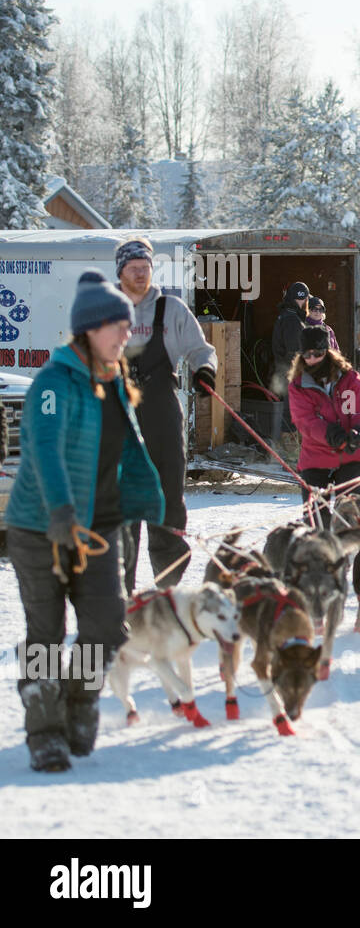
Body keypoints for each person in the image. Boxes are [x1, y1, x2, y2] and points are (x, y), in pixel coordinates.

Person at [5, 270, 164, 772]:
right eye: (117, 326)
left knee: (107, 626)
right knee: (46, 634)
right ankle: (44, 728)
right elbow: (44, 450)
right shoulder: (53, 383)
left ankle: (80, 697)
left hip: (100, 525)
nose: (126, 335)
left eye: (128, 326)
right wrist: (60, 511)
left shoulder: (112, 380)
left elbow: (128, 451)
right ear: (89, 329)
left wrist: (156, 501)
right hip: (42, 527)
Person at [114, 238, 217, 591]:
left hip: (161, 415)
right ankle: (119, 592)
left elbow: (201, 350)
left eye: (145, 267)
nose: (140, 274)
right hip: (117, 418)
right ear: (121, 272)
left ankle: (167, 586)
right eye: (133, 268)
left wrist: (205, 370)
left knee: (167, 499)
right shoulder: (107, 310)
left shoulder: (170, 309)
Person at [287, 325, 360, 528]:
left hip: (351, 454)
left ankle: (354, 554)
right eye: (307, 355)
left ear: (328, 351)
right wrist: (331, 433)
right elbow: (306, 421)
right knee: (317, 522)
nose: (313, 359)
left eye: (318, 353)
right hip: (316, 456)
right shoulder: (299, 386)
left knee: (351, 519)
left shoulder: (349, 379)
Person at [271, 281, 310, 397]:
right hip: (291, 376)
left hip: (284, 374)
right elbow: (294, 353)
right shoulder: (292, 320)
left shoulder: (285, 315)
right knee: (291, 412)